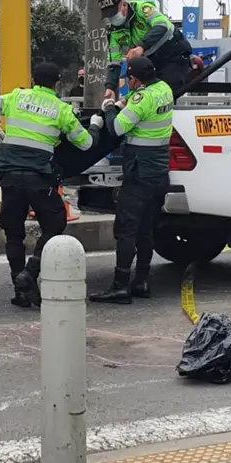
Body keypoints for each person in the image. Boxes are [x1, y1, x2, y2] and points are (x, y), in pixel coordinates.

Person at [0, 62, 103, 308]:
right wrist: (95, 125)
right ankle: (30, 273)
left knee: (14, 231)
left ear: (33, 80)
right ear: (57, 84)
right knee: (55, 223)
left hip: (9, 174)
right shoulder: (61, 109)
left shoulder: (16, 97)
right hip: (39, 177)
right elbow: (86, 144)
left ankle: (20, 289)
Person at [89, 57, 174, 305]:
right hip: (159, 174)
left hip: (139, 175)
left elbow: (116, 128)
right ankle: (142, 282)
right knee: (146, 229)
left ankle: (119, 286)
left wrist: (108, 108)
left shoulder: (141, 98)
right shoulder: (164, 90)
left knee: (126, 229)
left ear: (135, 80)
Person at [97, 0, 192, 100]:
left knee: (164, 94)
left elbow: (161, 25)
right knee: (142, 96)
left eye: (114, 13)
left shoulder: (142, 8)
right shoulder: (113, 32)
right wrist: (110, 87)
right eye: (109, 16)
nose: (112, 18)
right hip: (152, 62)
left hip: (173, 52)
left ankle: (191, 66)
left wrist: (141, 47)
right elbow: (114, 62)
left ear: (123, 4)